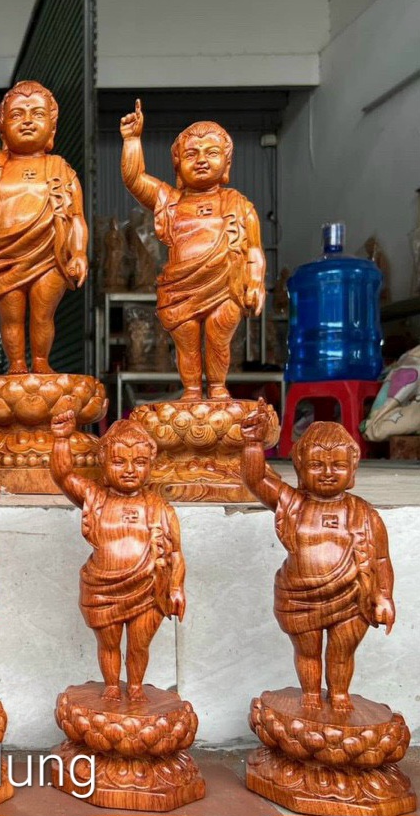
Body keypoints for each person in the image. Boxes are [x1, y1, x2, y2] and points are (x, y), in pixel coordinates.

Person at [241, 402, 395, 711]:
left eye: (337, 465)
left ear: (352, 470)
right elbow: (256, 480)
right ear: (300, 469)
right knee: (307, 652)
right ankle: (310, 696)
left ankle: (339, 696)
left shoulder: (364, 513)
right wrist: (253, 444)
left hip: (352, 597)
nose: (327, 473)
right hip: (300, 598)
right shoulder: (293, 503)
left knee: (341, 652)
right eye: (316, 465)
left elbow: (380, 560)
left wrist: (383, 596)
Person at [0, 54, 87, 374]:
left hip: (50, 254)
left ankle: (41, 364)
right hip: (6, 256)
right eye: (17, 115)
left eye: (37, 114)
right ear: (3, 129)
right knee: (11, 317)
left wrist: (79, 252)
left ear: (52, 128)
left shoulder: (61, 169)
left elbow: (76, 217)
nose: (27, 121)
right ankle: (16, 367)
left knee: (42, 314)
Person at [121, 99, 265, 400]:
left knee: (218, 335)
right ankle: (191, 391)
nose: (201, 160)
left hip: (225, 285)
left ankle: (218, 388)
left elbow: (254, 250)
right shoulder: (170, 200)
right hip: (180, 288)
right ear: (177, 166)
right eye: (191, 154)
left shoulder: (239, 205)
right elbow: (135, 179)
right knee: (186, 341)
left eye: (211, 153)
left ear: (226, 164)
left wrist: (255, 283)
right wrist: (132, 140)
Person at [51, 413, 185, 702]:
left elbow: (175, 552)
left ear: (151, 464)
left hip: (149, 587)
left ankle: (135, 687)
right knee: (108, 643)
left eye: (140, 462)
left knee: (139, 645)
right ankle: (111, 686)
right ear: (103, 461)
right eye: (119, 462)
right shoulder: (95, 497)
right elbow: (63, 476)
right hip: (102, 588)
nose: (129, 470)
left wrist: (175, 587)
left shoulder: (160, 508)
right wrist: (61, 438)